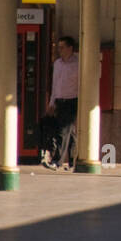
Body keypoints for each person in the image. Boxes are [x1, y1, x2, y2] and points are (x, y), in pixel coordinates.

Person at [45, 36, 79, 171]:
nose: (60, 50)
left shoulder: (78, 64)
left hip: (71, 100)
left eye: (62, 47)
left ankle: (57, 161)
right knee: (70, 133)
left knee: (63, 131)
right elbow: (55, 84)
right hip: (59, 100)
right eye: (58, 47)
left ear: (70, 48)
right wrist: (52, 102)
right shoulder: (57, 64)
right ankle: (72, 161)